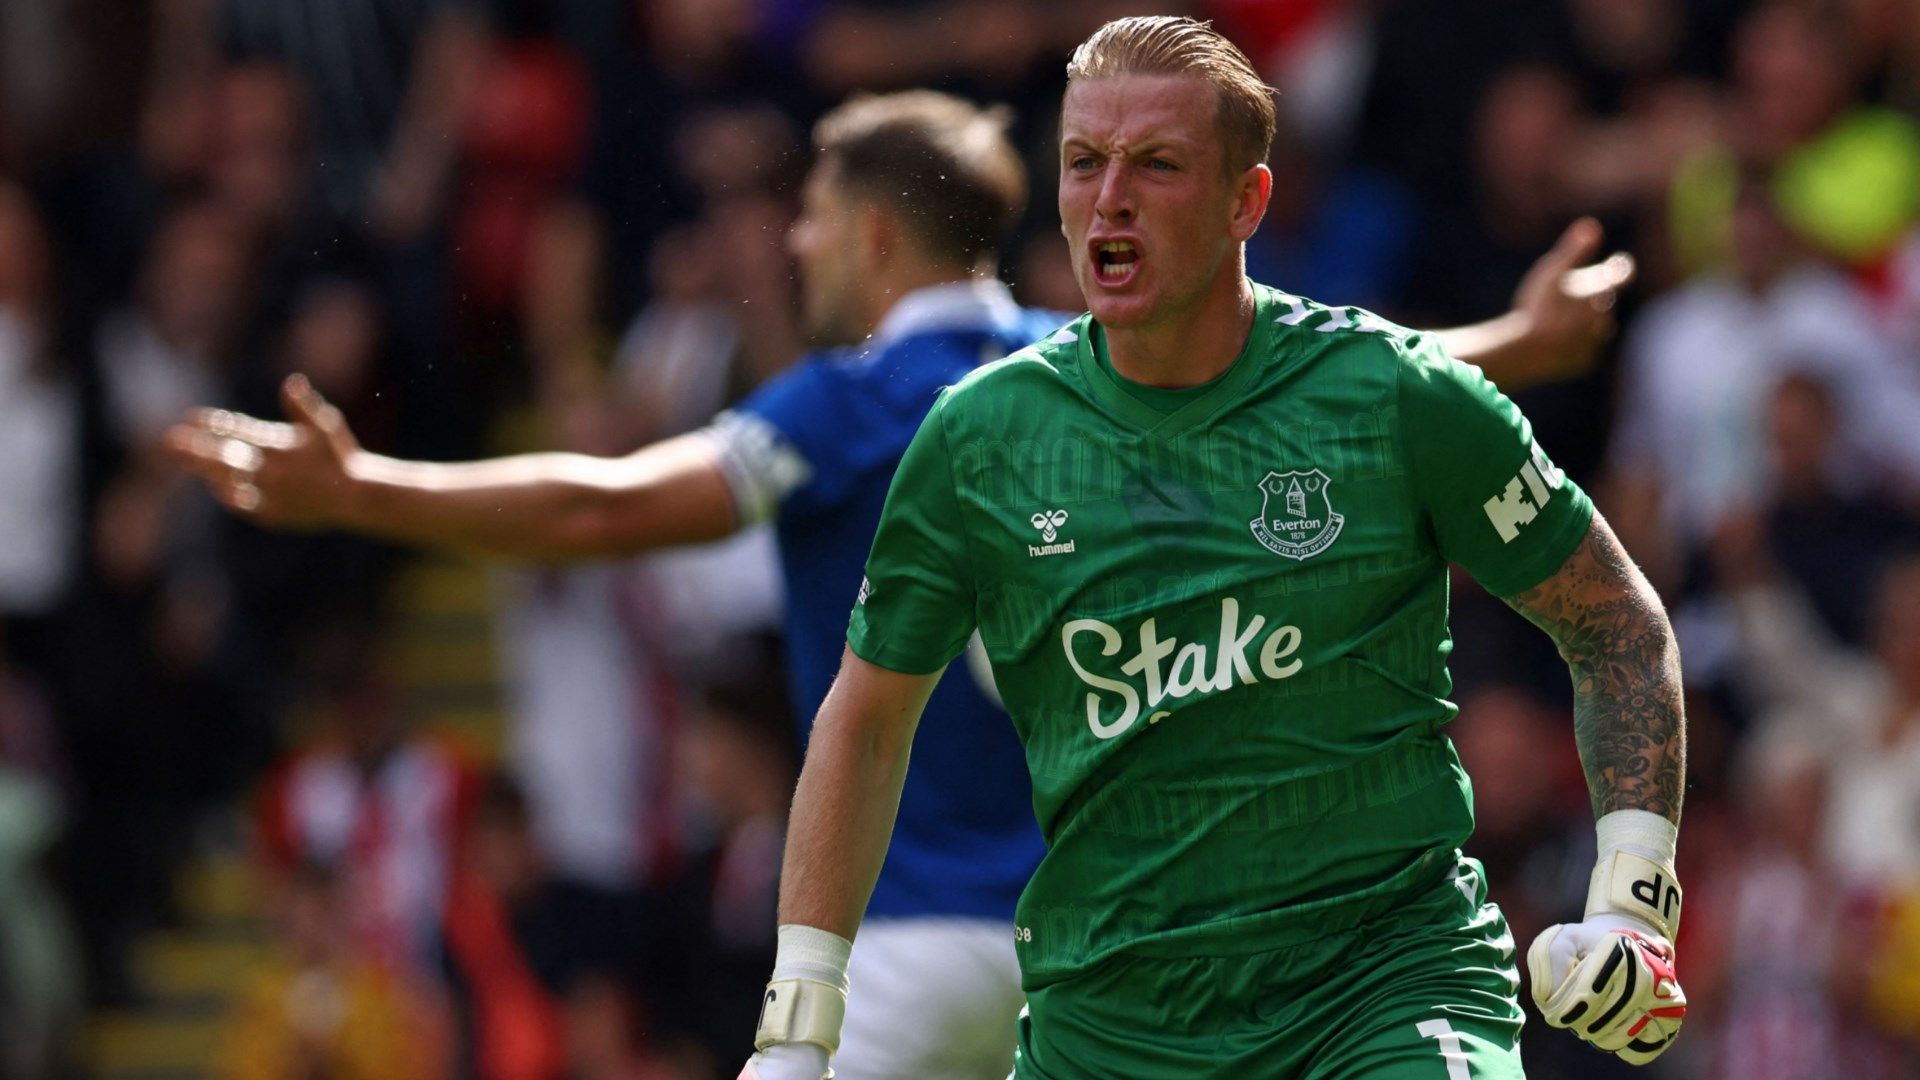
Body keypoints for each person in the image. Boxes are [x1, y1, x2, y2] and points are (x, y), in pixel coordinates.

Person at [171, 85, 1637, 1079]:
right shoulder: (1093, 369)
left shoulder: (854, 397)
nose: (796, 240)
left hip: (910, 939)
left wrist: (365, 488)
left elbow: (610, 506)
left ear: (872, 232)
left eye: (810, 213)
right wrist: (1517, 337)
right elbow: (1353, 378)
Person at [744, 18, 1686, 1080]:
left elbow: (1616, 625)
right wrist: (797, 1029)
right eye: (1083, 163)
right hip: (1112, 1028)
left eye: (1157, 165)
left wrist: (1631, 899)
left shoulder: (1393, 396)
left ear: (1248, 201)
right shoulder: (979, 439)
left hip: (1382, 996)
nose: (1110, 197)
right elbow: (865, 722)